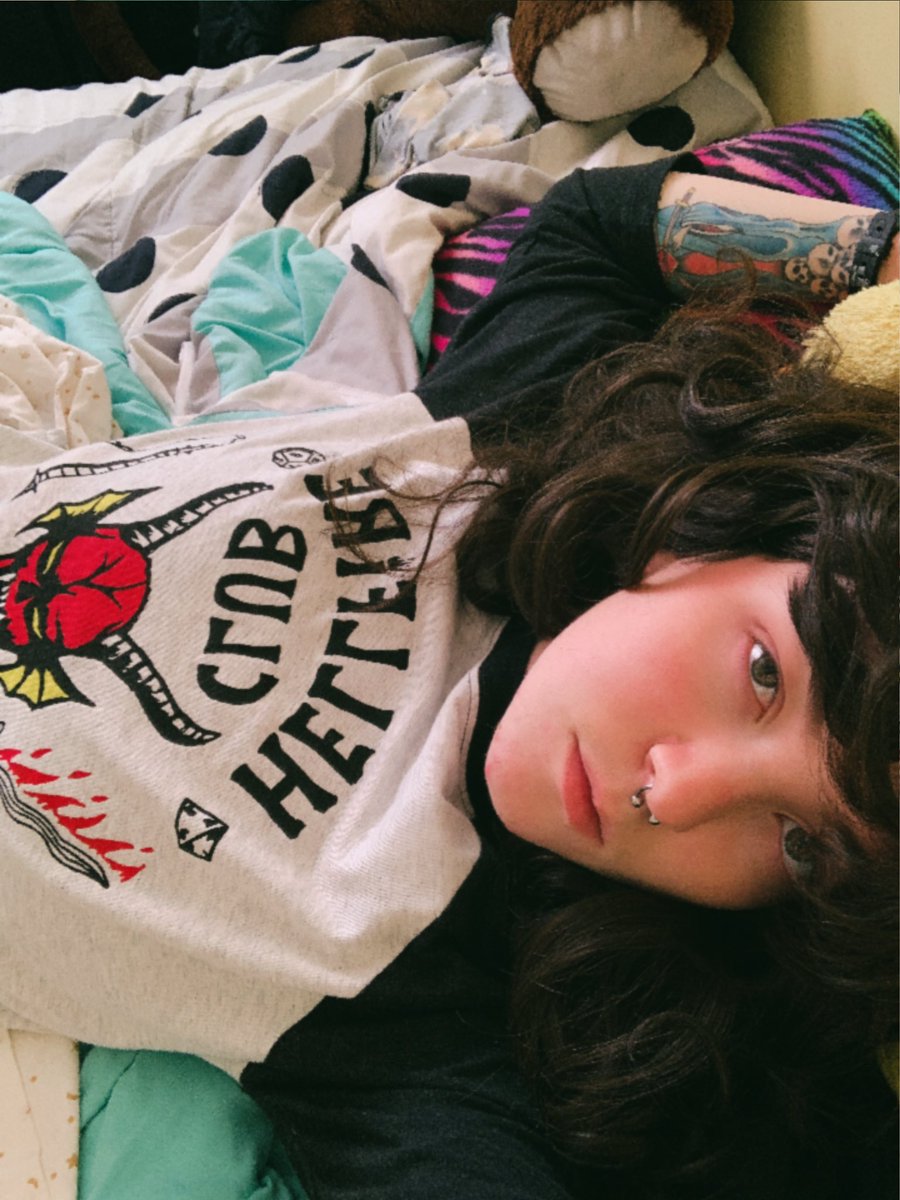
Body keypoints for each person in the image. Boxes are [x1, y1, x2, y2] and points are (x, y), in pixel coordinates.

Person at [0, 154, 896, 1200]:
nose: (677, 795)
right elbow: (593, 223)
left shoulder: (423, 1001)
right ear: (725, 525)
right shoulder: (499, 440)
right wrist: (882, 259)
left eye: (803, 846)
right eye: (763, 672)